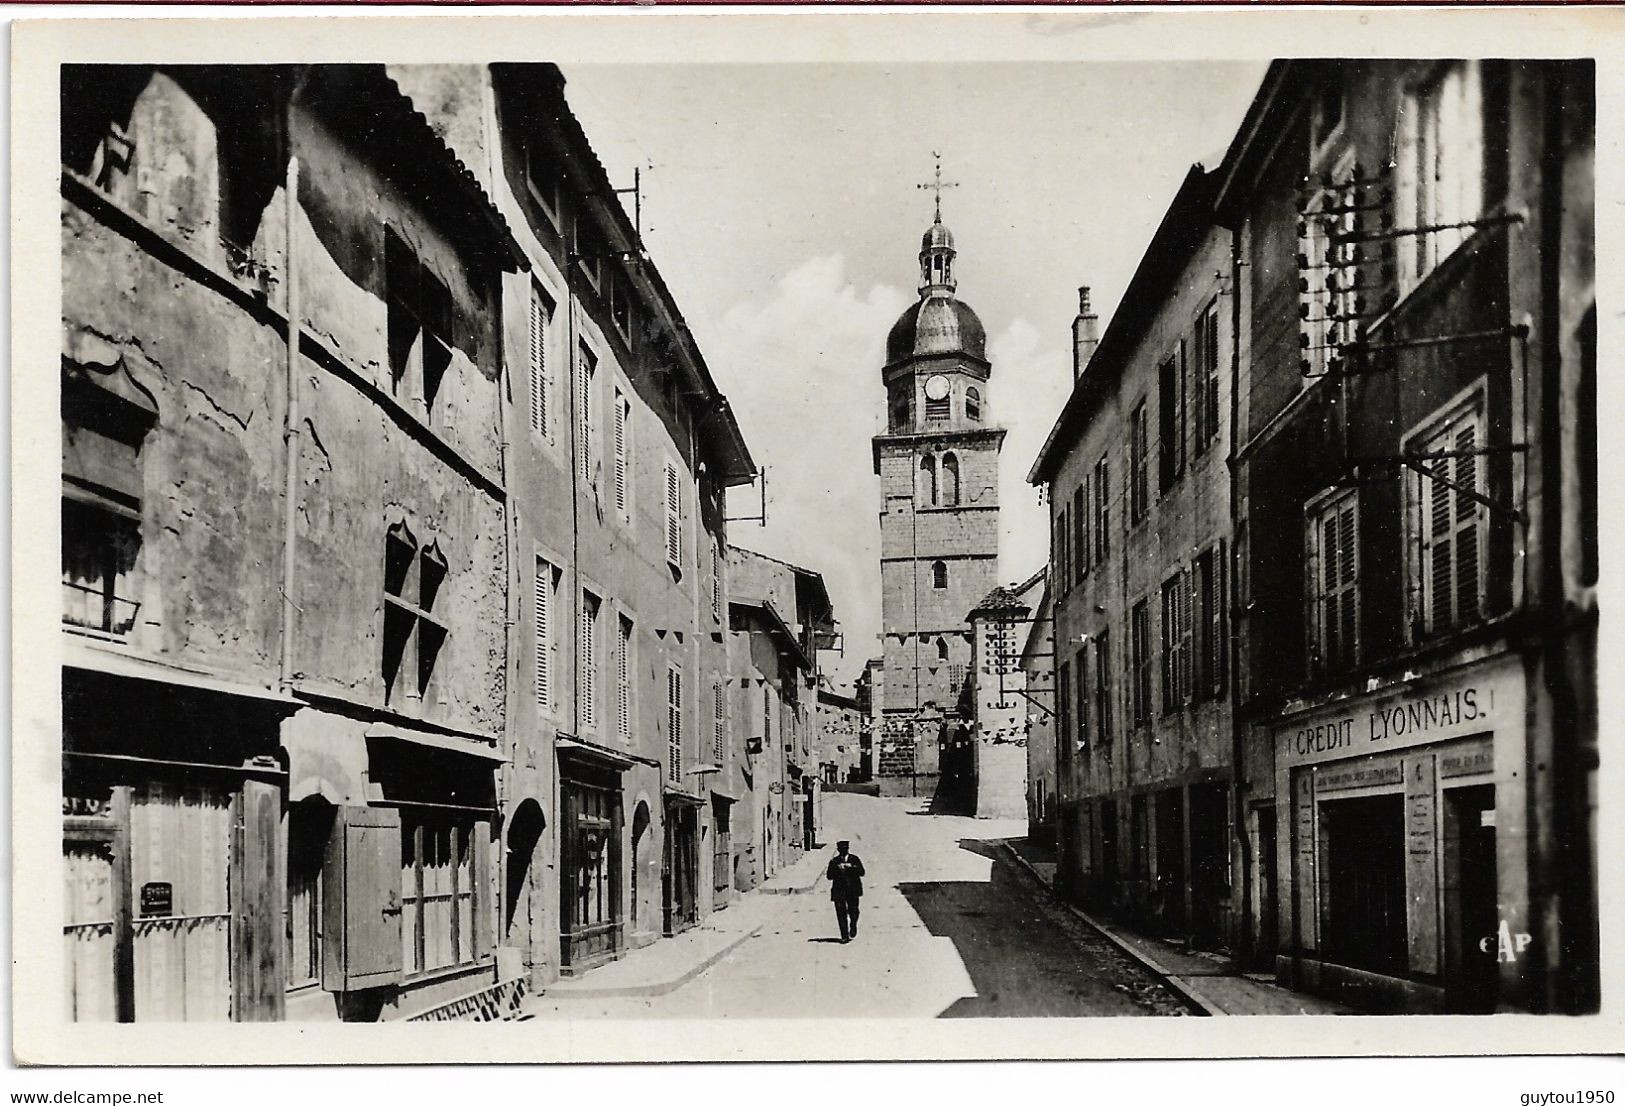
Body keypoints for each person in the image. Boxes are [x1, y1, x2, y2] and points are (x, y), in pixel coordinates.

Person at [826, 839, 865, 943]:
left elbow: (862, 872)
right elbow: (829, 876)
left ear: (848, 849)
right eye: (841, 849)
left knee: (854, 911)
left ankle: (853, 925)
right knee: (841, 913)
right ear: (838, 850)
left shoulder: (854, 859)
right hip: (839, 891)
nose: (843, 851)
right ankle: (844, 935)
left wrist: (851, 867)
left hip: (853, 890)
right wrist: (837, 869)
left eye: (845, 849)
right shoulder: (834, 861)